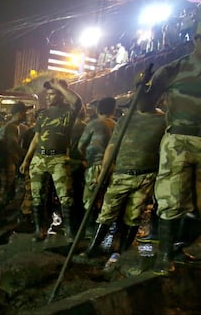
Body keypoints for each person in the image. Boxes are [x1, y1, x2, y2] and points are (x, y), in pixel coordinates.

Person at [145, 20, 201, 274]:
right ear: (195, 40)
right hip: (178, 141)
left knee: (195, 204)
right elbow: (145, 105)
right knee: (170, 198)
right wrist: (143, 86)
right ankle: (164, 256)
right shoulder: (173, 70)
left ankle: (180, 247)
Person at [82, 95, 166, 258]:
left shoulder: (164, 120)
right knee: (107, 212)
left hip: (146, 176)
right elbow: (112, 146)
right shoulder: (125, 120)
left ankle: (122, 251)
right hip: (121, 173)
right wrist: (104, 172)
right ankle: (93, 248)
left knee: (134, 216)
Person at [19, 80, 82, 241]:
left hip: (58, 158)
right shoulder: (43, 114)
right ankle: (39, 230)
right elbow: (36, 138)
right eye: (46, 94)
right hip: (39, 158)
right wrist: (27, 160)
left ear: (61, 95)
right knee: (37, 196)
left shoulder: (68, 111)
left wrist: (60, 86)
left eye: (52, 94)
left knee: (65, 196)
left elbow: (77, 102)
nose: (48, 97)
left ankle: (69, 231)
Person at [78, 97, 117, 219]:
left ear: (97, 109)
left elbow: (81, 145)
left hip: (95, 166)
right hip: (112, 167)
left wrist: (85, 159)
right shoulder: (116, 125)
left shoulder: (94, 124)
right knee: (105, 197)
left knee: (90, 199)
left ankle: (90, 228)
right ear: (113, 110)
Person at [0, 102, 29, 223]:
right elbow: (13, 147)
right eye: (25, 112)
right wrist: (29, 154)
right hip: (6, 163)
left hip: (6, 162)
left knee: (7, 190)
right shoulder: (12, 127)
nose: (26, 115)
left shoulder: (12, 126)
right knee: (4, 191)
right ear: (19, 113)